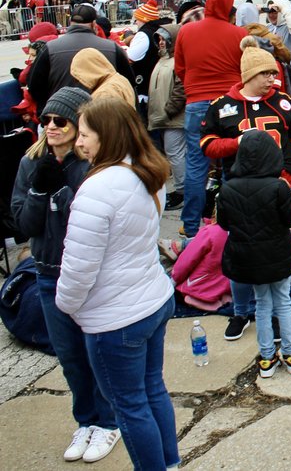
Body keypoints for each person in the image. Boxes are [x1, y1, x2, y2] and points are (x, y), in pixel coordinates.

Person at [56, 96, 179, 470]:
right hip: (152, 301)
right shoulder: (147, 172)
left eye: (85, 134)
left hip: (116, 319)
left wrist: (65, 306)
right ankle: (170, 464)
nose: (79, 141)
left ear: (106, 136)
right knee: (152, 390)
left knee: (129, 405)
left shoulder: (96, 190)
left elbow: (78, 268)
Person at [9, 87, 123, 464]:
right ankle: (86, 420)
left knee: (97, 356)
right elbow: (24, 225)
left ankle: (109, 422)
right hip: (47, 274)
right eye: (46, 121)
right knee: (70, 356)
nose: (51, 127)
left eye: (61, 121)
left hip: (88, 276)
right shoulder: (32, 163)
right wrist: (41, 188)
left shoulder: (90, 165)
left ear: (79, 127)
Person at [201, 40, 291, 341]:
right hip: (240, 191)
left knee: (284, 251)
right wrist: (238, 143)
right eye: (267, 73)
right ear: (250, 74)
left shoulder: (283, 102)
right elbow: (208, 146)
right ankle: (241, 311)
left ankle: (282, 312)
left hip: (282, 186)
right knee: (241, 251)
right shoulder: (222, 107)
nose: (272, 79)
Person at [217, 130, 291, 377]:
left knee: (262, 305)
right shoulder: (278, 186)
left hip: (248, 258)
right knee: (283, 302)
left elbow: (224, 223)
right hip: (278, 255)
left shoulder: (228, 188)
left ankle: (267, 358)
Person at [174, 0, 245, 241]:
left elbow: (180, 69)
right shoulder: (238, 34)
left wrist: (194, 88)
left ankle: (191, 226)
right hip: (228, 103)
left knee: (196, 164)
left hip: (196, 103)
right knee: (229, 162)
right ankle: (228, 223)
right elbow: (245, 70)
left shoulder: (187, 32)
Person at [27, 3, 134, 110]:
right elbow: (128, 82)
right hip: (100, 115)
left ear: (70, 23)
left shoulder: (50, 48)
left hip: (61, 115)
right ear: (94, 24)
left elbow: (34, 86)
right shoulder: (112, 48)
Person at [147, 24, 186, 211]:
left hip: (174, 119)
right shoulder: (163, 59)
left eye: (165, 39)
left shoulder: (178, 60)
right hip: (167, 117)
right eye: (159, 39)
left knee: (175, 154)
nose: (161, 42)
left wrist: (169, 110)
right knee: (174, 154)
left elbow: (181, 89)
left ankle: (182, 192)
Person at [70, 47, 137, 107]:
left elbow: (104, 120)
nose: (78, 81)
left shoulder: (104, 93)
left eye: (78, 76)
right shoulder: (118, 78)